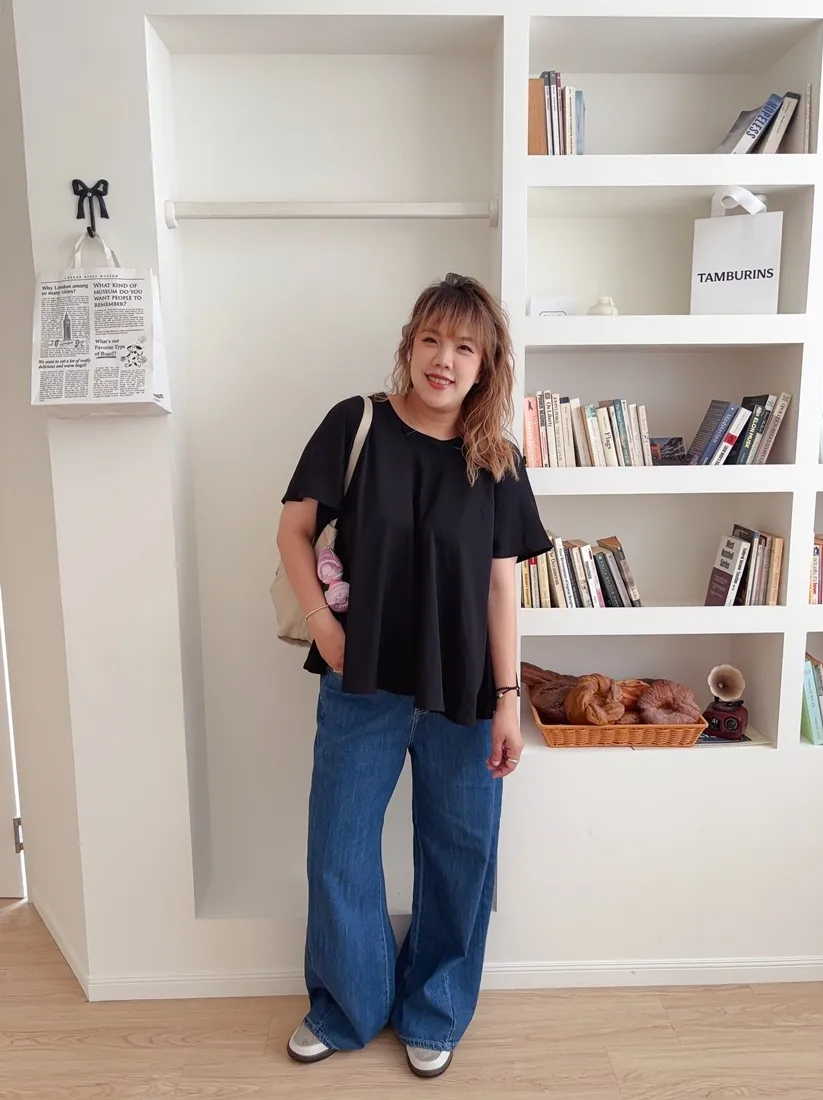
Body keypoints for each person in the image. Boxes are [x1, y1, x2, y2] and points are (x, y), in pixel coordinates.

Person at [276, 273, 551, 1078]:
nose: (444, 359)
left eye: (464, 346)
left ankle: (435, 1008)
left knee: (461, 853)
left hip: (465, 692)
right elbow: (293, 531)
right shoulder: (355, 424)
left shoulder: (499, 461)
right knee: (339, 849)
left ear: (487, 363)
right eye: (431, 339)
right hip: (361, 681)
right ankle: (346, 1005)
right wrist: (324, 626)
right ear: (410, 344)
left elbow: (501, 589)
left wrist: (510, 701)